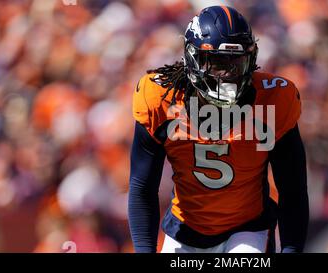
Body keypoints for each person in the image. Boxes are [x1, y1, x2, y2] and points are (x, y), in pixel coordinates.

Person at [128, 5, 308, 253]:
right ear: (193, 59)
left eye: (235, 63)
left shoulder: (274, 99)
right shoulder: (160, 98)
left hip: (249, 229)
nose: (226, 75)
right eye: (216, 62)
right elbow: (142, 187)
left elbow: (293, 190)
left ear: (251, 60)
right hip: (185, 228)